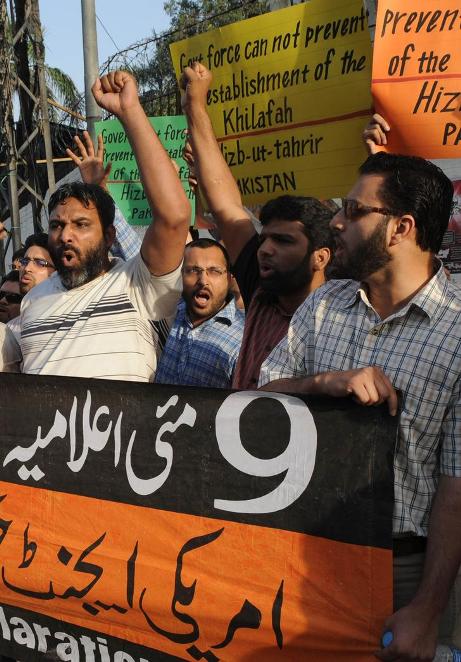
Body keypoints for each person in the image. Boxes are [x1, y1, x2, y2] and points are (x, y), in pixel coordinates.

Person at [259, 151, 461, 661]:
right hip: (303, 556)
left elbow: (457, 485)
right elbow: (260, 399)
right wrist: (322, 383)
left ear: (401, 228)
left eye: (353, 210)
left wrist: (427, 608)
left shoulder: (458, 329)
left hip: (403, 573)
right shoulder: (324, 304)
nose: (336, 222)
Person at [18, 70, 190, 381]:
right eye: (57, 225)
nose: (66, 235)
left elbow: (173, 217)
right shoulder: (31, 301)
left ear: (110, 236)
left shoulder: (137, 285)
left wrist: (130, 111)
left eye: (81, 224)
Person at [180, 62, 334, 389]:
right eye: (265, 239)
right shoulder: (262, 293)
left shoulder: (342, 319)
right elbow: (226, 207)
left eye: (284, 241)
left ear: (320, 257)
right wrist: (195, 106)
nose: (265, 249)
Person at [155, 238, 244, 388]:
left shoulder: (244, 339)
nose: (203, 281)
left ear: (229, 279)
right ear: (179, 275)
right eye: (193, 271)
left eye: (214, 271)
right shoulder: (167, 311)